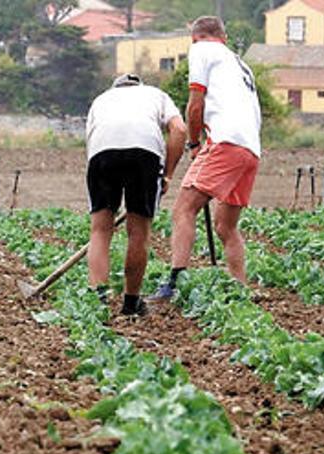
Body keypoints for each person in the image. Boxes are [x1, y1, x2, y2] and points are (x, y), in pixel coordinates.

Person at [149, 16, 262, 302]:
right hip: (250, 149)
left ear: (196, 37)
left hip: (225, 141)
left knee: (183, 209)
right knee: (225, 225)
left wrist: (194, 143)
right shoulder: (240, 64)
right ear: (223, 37)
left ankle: (174, 284)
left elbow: (195, 103)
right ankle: (240, 287)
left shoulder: (202, 50)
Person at [85, 73, 187, 316]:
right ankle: (131, 304)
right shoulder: (156, 95)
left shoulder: (101, 100)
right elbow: (180, 130)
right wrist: (168, 174)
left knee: (100, 229)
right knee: (138, 231)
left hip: (101, 153)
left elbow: (90, 142)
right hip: (145, 153)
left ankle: (97, 301)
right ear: (139, 86)